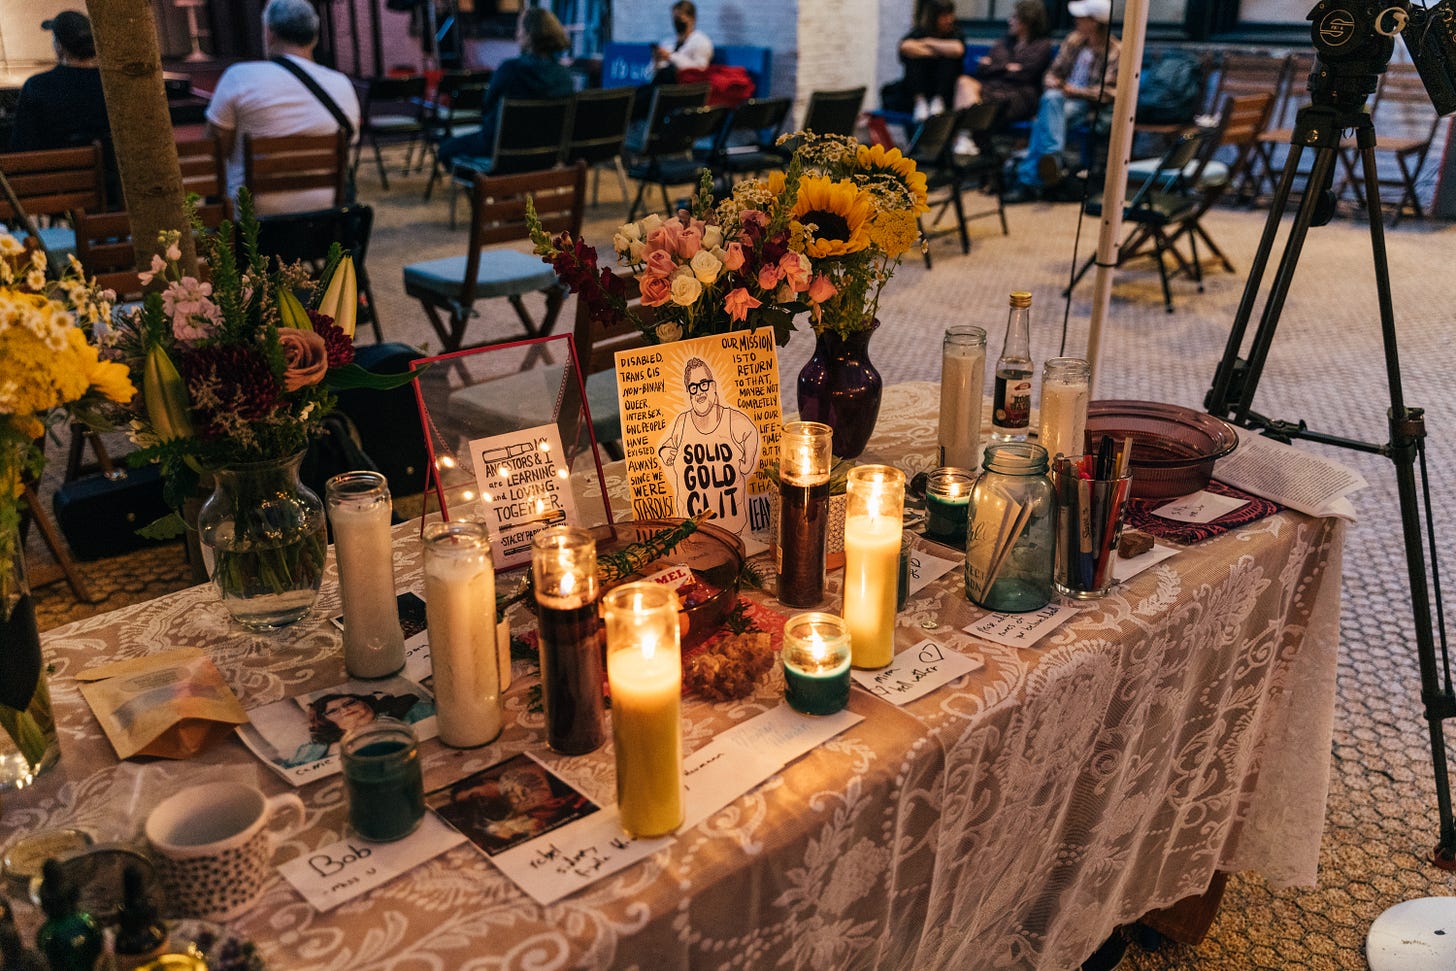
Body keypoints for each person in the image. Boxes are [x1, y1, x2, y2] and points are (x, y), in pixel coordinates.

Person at [205, 0, 360, 215]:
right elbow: (350, 141)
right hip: (327, 221)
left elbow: (214, 150)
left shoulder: (239, 77)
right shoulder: (342, 83)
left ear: (269, 34)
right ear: (314, 37)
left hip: (255, 229)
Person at [1006, 0, 1120, 203]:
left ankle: (1029, 179)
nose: (1076, 21)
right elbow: (1053, 71)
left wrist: (1075, 91)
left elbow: (1110, 92)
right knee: (1051, 100)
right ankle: (1051, 160)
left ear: (1094, 22)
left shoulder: (1115, 51)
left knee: (1044, 117)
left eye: (1081, 18)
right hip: (1059, 99)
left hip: (1087, 106)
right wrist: (1052, 80)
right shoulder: (1073, 41)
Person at [437, 8, 574, 170]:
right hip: (545, 152)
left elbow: (487, 106)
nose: (517, 35)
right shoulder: (565, 77)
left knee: (445, 149)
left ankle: (485, 189)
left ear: (529, 35)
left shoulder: (510, 70)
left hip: (500, 149)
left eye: (520, 29)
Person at [658, 357, 760, 535]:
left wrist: (748, 460)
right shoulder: (683, 422)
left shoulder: (731, 419)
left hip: (733, 529)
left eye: (704, 383)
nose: (699, 391)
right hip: (691, 530)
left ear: (713, 386)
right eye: (693, 387)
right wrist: (667, 453)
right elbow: (665, 448)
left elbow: (751, 432)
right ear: (689, 393)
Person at [9, 12, 110, 154]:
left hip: (55, 174)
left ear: (59, 46)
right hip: (112, 174)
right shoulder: (111, 84)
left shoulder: (37, 86)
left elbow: (21, 147)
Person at [955, 0, 1053, 127]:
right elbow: (982, 68)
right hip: (991, 87)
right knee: (963, 82)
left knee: (978, 103)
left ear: (1027, 21)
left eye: (1015, 17)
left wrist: (994, 66)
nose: (1010, 21)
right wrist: (1007, 67)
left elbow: (1026, 74)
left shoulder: (1042, 46)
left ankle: (966, 135)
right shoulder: (1004, 42)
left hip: (1018, 95)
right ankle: (970, 135)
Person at [280, 690, 434, 767]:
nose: (345, 710)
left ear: (365, 702)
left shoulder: (410, 710)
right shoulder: (315, 750)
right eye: (333, 711)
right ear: (324, 721)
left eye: (350, 703)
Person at [898, 0, 966, 122]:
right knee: (914, 59)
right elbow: (905, 47)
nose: (949, 19)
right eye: (944, 16)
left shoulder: (955, 31)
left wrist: (928, 42)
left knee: (948, 59)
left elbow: (957, 49)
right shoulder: (920, 31)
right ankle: (920, 101)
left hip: (947, 88)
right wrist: (939, 50)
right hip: (921, 84)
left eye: (951, 14)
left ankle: (938, 101)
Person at [652, 1, 713, 85]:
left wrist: (670, 57)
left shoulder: (702, 42)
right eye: (674, 19)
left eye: (680, 18)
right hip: (663, 86)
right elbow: (651, 75)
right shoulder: (667, 42)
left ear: (692, 19)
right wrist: (657, 62)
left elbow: (700, 70)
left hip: (685, 88)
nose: (677, 22)